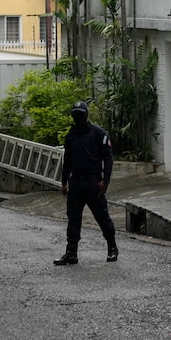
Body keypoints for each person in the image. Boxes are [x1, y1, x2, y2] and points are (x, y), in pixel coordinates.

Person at [53, 101, 118, 265]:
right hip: (76, 182)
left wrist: (105, 180)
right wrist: (64, 182)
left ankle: (112, 247)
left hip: (93, 182)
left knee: (102, 216)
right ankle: (71, 253)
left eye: (80, 115)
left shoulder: (98, 133)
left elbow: (108, 158)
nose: (78, 118)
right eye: (75, 115)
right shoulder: (72, 135)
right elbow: (67, 160)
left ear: (86, 115)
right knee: (73, 218)